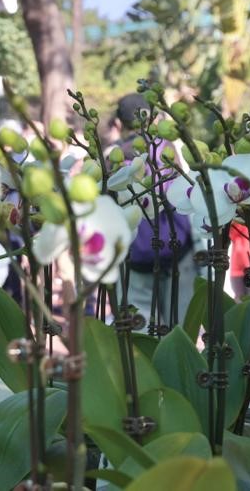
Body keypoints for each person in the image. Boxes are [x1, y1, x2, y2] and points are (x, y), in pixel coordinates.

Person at [107, 93, 196, 327]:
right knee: (182, 329)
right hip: (177, 246)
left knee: (140, 332)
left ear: (118, 124)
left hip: (135, 254)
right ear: (152, 118)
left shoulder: (112, 159)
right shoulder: (166, 148)